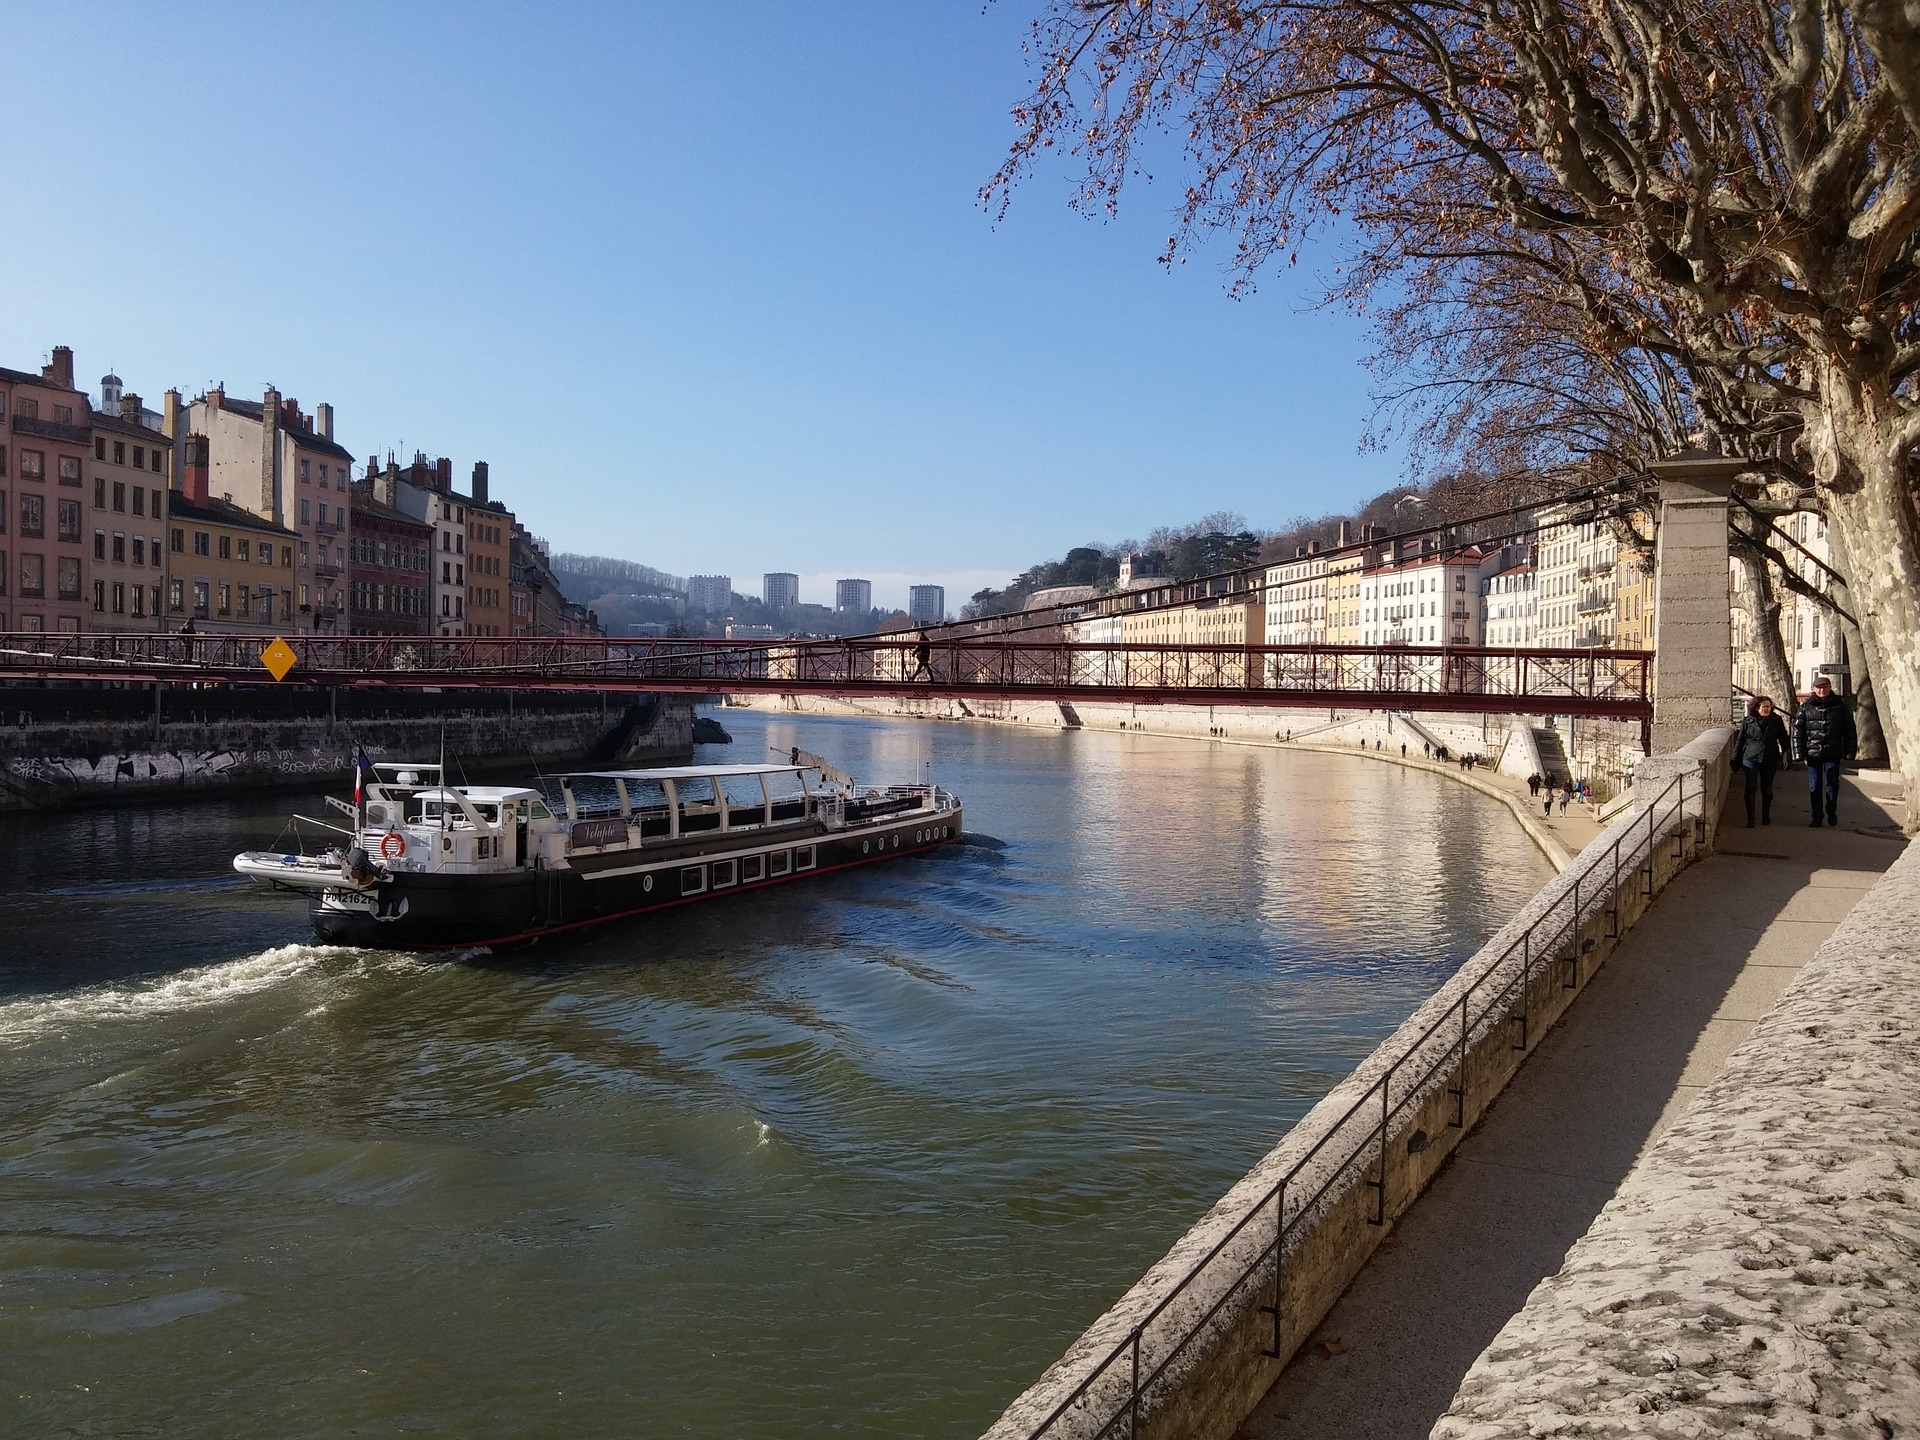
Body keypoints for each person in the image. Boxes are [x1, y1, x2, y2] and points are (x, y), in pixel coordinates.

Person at [1793, 676, 1857, 827]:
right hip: (1813, 753)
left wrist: (1850, 751)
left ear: (1830, 688)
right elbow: (1797, 731)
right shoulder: (1806, 707)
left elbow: (1850, 730)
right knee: (1815, 785)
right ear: (1814, 689)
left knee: (1832, 783)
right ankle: (1817, 816)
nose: (1822, 691)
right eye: (1819, 688)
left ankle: (1831, 811)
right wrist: (1798, 753)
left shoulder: (1839, 706)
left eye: (1825, 688)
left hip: (1833, 752)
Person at [1732, 694, 1791, 827]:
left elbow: (1784, 739)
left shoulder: (1776, 720)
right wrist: (1735, 759)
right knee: (1751, 787)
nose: (1767, 709)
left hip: (1769, 757)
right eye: (1764, 707)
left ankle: (1766, 815)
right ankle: (1750, 818)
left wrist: (1787, 754)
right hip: (1751, 757)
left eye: (1769, 707)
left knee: (1767, 789)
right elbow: (1740, 741)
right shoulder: (1748, 721)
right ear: (1757, 707)